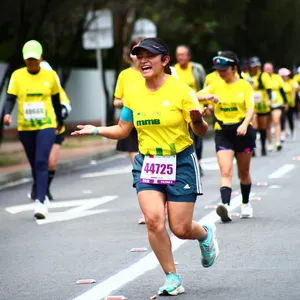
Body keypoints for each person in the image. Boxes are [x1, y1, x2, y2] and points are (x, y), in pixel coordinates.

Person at [71, 37, 219, 296]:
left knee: (181, 228)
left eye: (149, 56)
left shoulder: (182, 91)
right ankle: (172, 276)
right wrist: (95, 130)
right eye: (139, 56)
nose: (143, 60)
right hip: (148, 163)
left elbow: (201, 130)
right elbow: (122, 129)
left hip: (181, 160)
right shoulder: (133, 92)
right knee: (153, 221)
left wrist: (197, 122)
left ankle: (204, 234)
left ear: (165, 61)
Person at [2, 40, 63, 219]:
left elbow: (56, 101)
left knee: (41, 161)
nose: (32, 62)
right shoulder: (17, 76)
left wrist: (59, 121)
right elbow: (10, 98)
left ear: (40, 58)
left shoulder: (50, 76)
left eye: (35, 59)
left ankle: (40, 201)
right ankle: (40, 191)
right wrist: (6, 114)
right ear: (24, 59)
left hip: (47, 125)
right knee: (34, 164)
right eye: (28, 59)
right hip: (25, 127)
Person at [197, 51, 256, 222]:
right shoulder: (215, 84)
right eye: (218, 70)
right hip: (223, 132)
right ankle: (226, 206)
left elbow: (251, 108)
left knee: (243, 172)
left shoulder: (245, 85)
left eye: (224, 69)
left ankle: (245, 203)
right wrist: (207, 96)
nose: (221, 73)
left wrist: (245, 124)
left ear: (234, 68)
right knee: (225, 170)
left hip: (242, 131)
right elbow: (193, 96)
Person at [27, 60, 72, 201]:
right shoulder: (31, 87)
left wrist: (61, 112)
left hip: (56, 129)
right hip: (36, 130)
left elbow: (66, 105)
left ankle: (44, 189)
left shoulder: (55, 87)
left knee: (51, 162)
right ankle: (38, 186)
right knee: (39, 161)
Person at [113, 37, 146, 224]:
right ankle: (147, 210)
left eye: (144, 53)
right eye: (136, 53)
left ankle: (164, 202)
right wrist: (122, 102)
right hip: (131, 127)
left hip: (153, 126)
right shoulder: (125, 75)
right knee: (139, 169)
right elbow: (116, 100)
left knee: (157, 167)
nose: (140, 58)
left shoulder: (153, 72)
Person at [174, 45, 206, 175]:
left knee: (197, 135)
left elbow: (204, 87)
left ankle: (198, 162)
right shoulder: (173, 71)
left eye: (183, 54)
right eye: (178, 55)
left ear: (189, 56)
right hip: (179, 109)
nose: (181, 57)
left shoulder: (197, 69)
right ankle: (184, 162)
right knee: (183, 135)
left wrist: (206, 105)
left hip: (196, 106)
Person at [248, 56, 272, 156]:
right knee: (253, 127)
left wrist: (270, 100)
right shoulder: (247, 77)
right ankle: (252, 148)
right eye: (254, 66)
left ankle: (263, 147)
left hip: (262, 106)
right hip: (251, 106)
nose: (256, 68)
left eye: (257, 66)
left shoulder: (264, 76)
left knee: (263, 128)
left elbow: (269, 89)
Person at [263, 62, 288, 150]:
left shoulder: (277, 77)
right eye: (266, 68)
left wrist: (285, 102)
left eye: (269, 68)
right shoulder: (262, 77)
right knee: (267, 125)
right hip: (265, 103)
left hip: (277, 102)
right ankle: (269, 143)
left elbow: (282, 90)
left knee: (276, 120)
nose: (268, 70)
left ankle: (277, 142)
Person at [278, 68, 298, 140]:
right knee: (282, 119)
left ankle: (292, 131)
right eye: (284, 76)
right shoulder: (280, 83)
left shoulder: (291, 81)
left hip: (290, 104)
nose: (286, 77)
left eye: (287, 75)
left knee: (290, 119)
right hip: (282, 104)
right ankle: (283, 132)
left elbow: (296, 87)